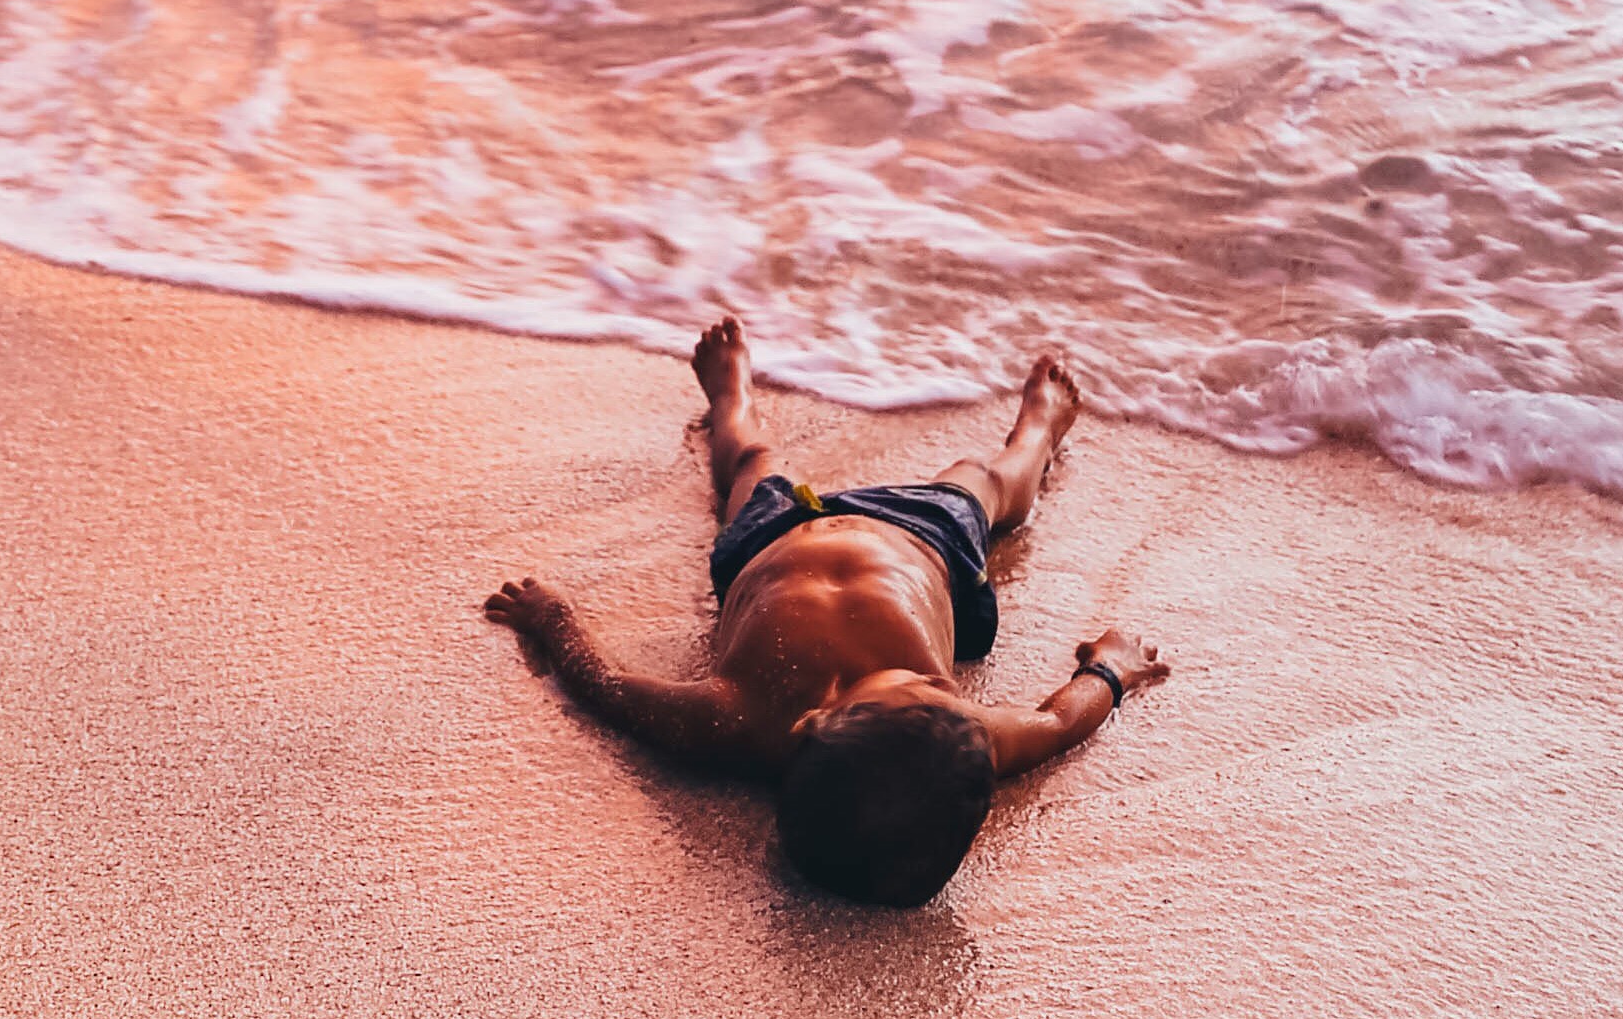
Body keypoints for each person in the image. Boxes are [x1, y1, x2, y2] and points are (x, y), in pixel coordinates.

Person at [485, 318, 1168, 907]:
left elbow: (611, 689)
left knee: (749, 458)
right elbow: (1056, 720)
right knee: (984, 486)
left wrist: (553, 621)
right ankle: (1039, 431)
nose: (948, 687)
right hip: (925, 542)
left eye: (931, 688)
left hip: (773, 537)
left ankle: (731, 393)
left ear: (817, 720)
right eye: (941, 688)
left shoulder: (741, 715)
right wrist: (1112, 671)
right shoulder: (964, 734)